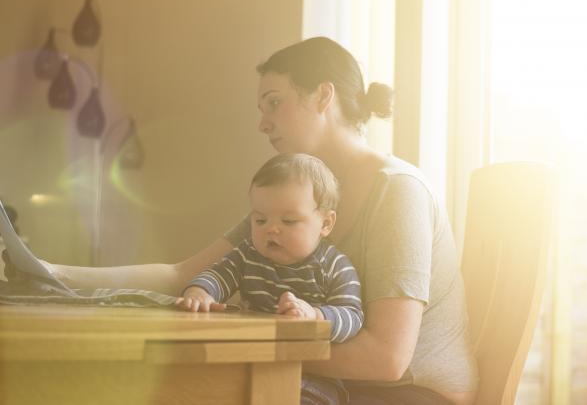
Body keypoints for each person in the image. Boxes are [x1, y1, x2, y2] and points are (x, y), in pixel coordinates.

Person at [38, 36, 478, 404]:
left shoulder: (397, 192)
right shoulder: (297, 197)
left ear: (324, 96)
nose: (262, 123)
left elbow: (387, 359)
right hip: (334, 385)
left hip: (409, 394)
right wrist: (53, 274)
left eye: (274, 102)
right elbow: (182, 275)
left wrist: (254, 352)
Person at [177, 152, 362, 405]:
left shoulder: (334, 266)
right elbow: (219, 274)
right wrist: (200, 291)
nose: (271, 229)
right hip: (248, 363)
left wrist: (316, 316)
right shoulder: (248, 255)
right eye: (260, 220)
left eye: (289, 220)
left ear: (326, 224)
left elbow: (352, 316)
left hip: (312, 376)